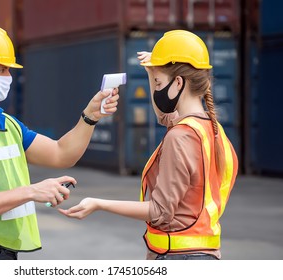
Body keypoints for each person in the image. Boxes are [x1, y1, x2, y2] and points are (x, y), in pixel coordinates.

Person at [0, 24, 119, 260]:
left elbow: (61, 153)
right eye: (1, 70)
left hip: (1, 250)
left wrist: (90, 117)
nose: (9, 77)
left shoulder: (7, 123)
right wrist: (32, 191)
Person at [59, 30, 238, 260]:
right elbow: (165, 116)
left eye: (158, 83)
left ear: (179, 83)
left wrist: (98, 203)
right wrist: (152, 73)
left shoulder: (181, 136)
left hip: (178, 258)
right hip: (204, 255)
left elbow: (160, 211)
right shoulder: (211, 129)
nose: (156, 88)